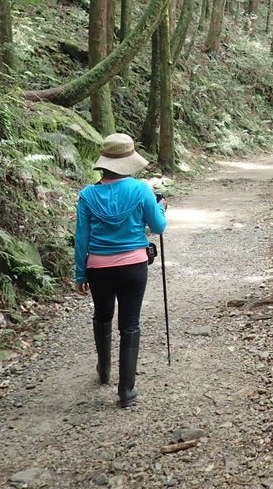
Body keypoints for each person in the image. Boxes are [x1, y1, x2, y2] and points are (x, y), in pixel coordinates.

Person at [74, 133, 167, 407]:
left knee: (102, 315)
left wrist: (80, 273)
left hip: (98, 268)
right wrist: (160, 208)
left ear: (104, 163)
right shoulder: (141, 190)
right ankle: (125, 391)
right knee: (130, 323)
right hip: (133, 266)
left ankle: (104, 370)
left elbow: (81, 238)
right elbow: (158, 227)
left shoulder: (87, 195)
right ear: (129, 161)